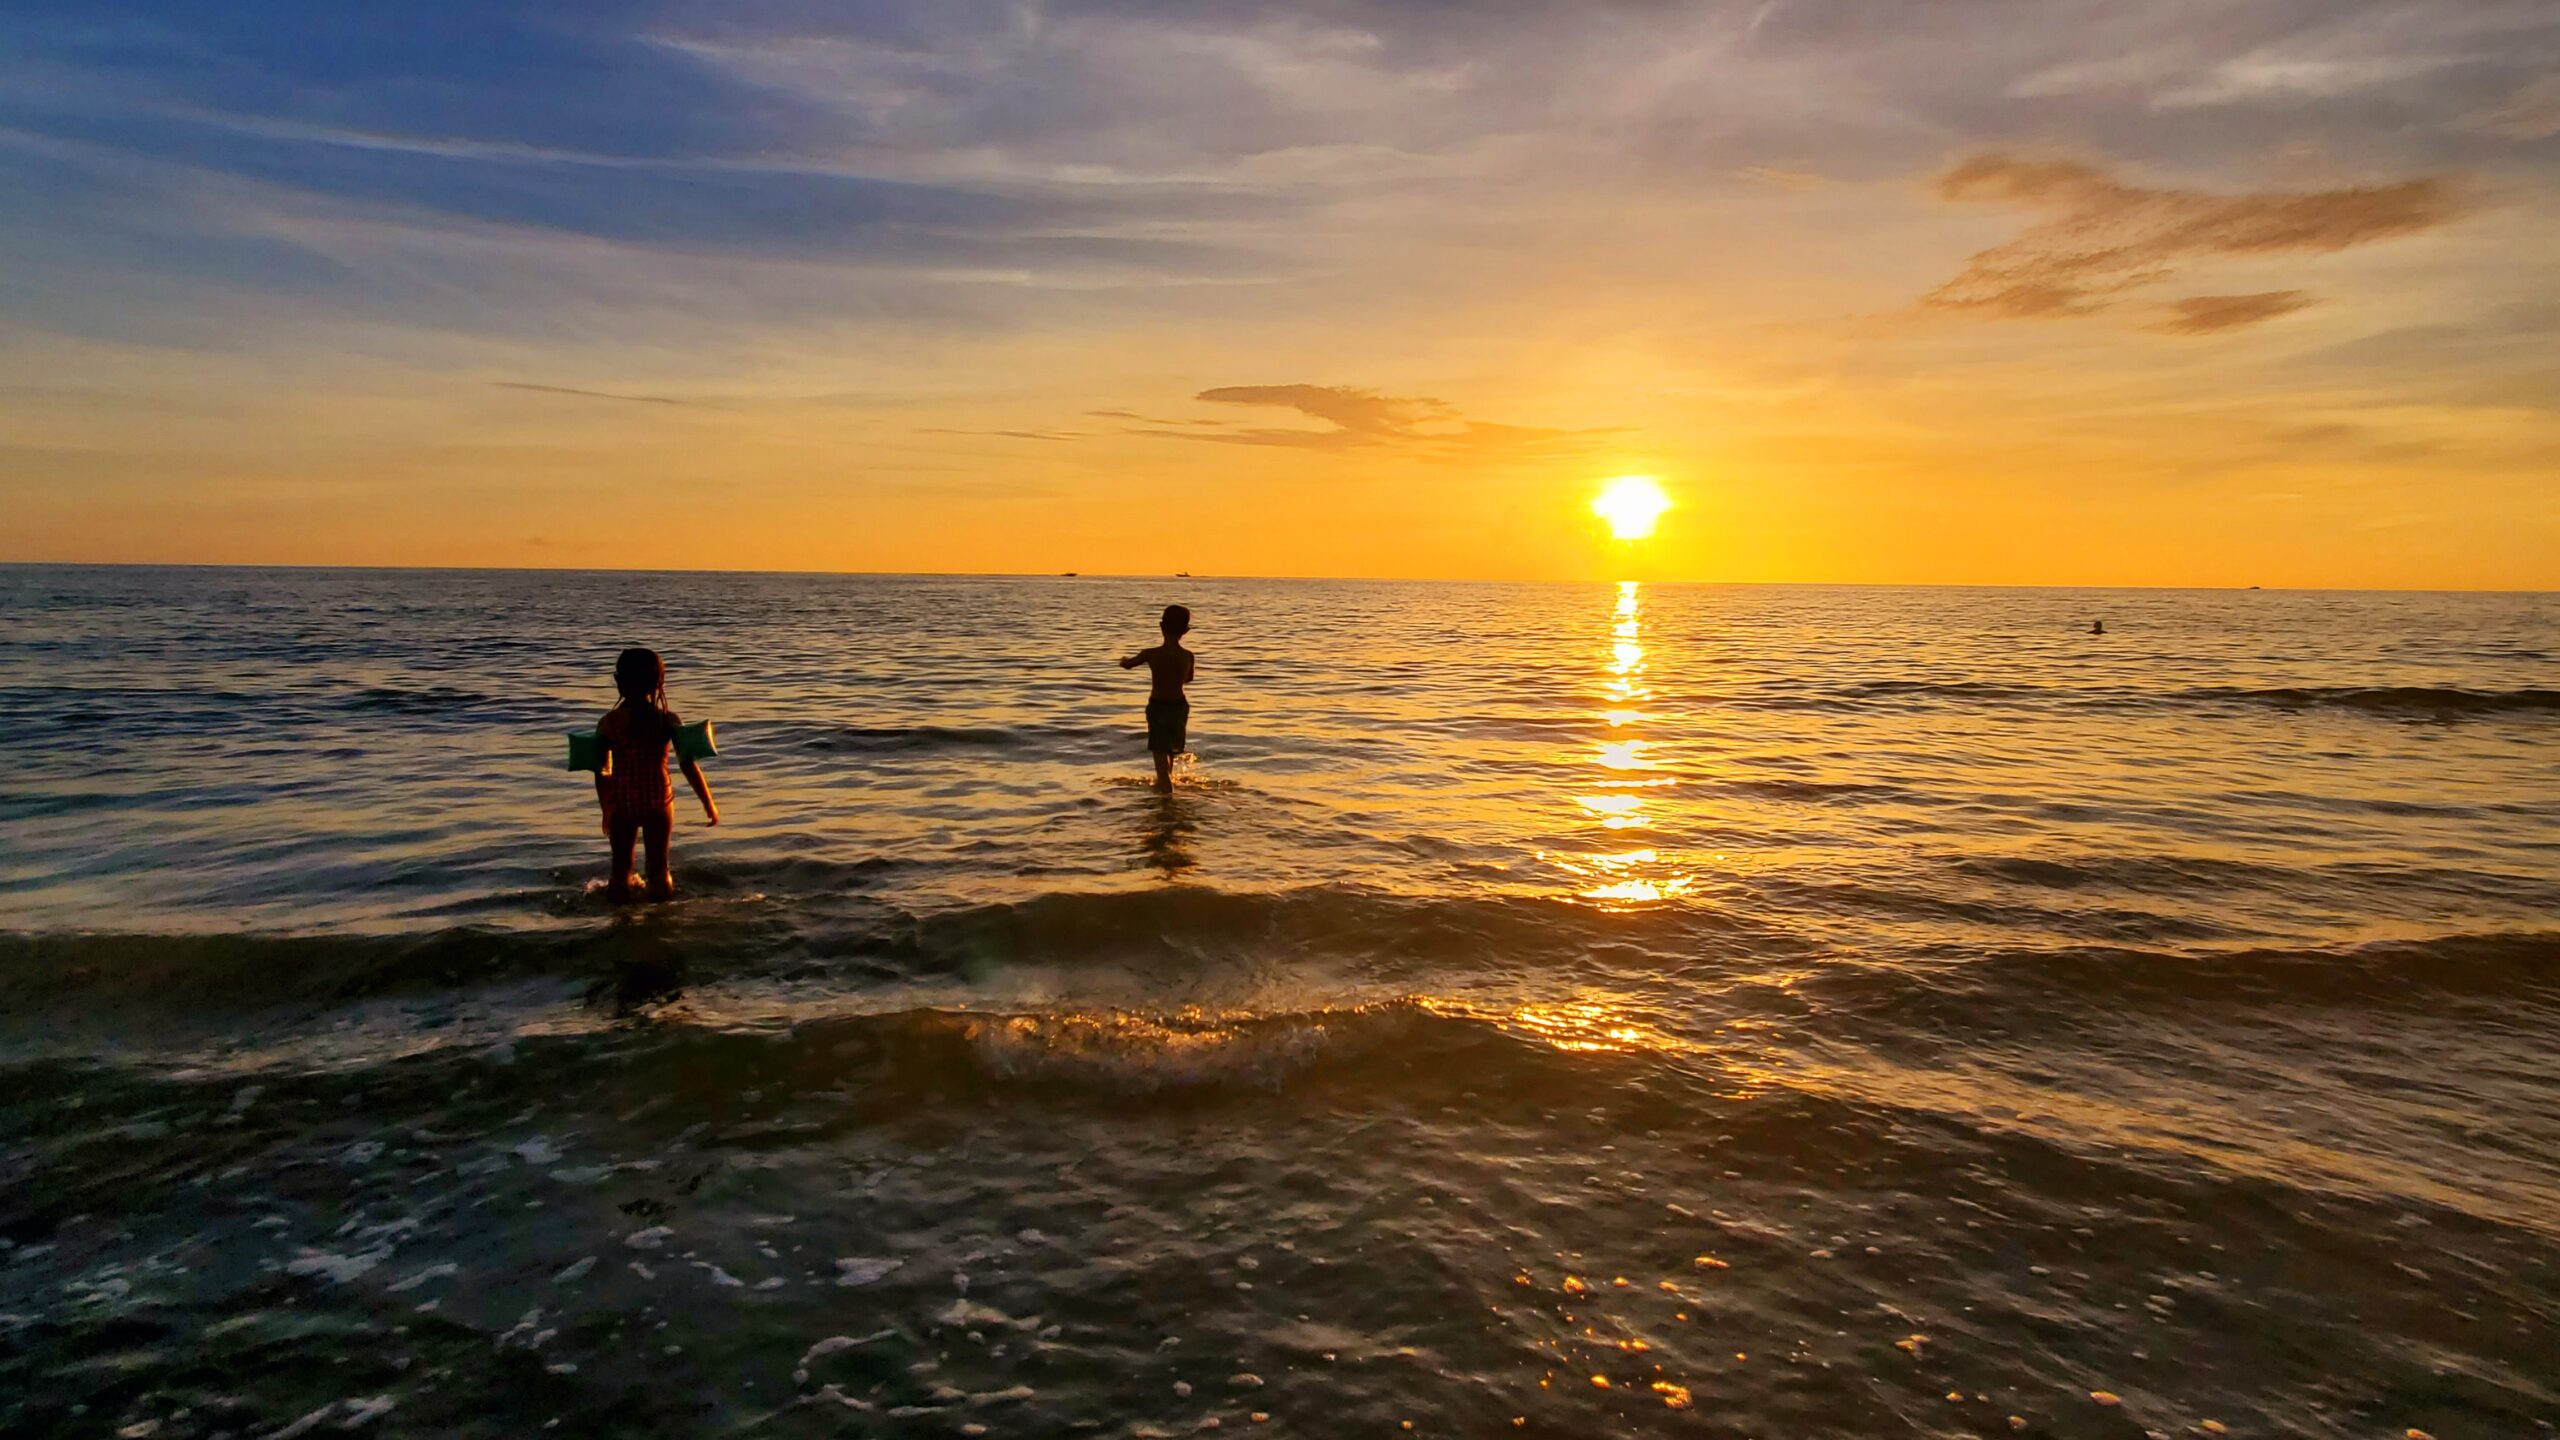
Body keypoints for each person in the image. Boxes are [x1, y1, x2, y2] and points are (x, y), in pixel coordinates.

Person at [595, 647, 717, 902]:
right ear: (660, 681)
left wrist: (606, 809)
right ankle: (662, 922)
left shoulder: (609, 723)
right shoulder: (667, 720)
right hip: (658, 801)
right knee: (658, 869)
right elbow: (688, 765)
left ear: (618, 681)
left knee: (620, 869)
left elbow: (602, 771)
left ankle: (619, 924)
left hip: (622, 802)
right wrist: (708, 803)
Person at [1119, 604, 1196, 792]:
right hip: (1179, 705)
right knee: (1170, 745)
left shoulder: (1151, 653)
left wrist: (1123, 660)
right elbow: (1189, 678)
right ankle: (1167, 779)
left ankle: (1164, 782)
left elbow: (1129, 665)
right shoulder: (1187, 656)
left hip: (1158, 705)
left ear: (1161, 626)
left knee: (1158, 746)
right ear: (1185, 631)